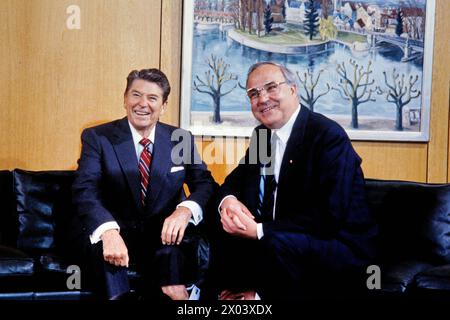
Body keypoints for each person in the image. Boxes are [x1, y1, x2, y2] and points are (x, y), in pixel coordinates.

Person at [213, 62, 378, 300]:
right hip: (283, 238)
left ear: (293, 89)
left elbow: (329, 216)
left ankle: (257, 299)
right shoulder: (262, 135)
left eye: (271, 88)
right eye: (254, 93)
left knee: (274, 241)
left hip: (339, 243)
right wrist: (228, 202)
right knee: (219, 223)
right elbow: (233, 182)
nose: (262, 99)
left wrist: (258, 230)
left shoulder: (327, 136)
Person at [71, 68, 216, 300]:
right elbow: (84, 189)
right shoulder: (98, 137)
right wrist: (108, 231)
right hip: (113, 231)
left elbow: (204, 184)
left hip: (161, 235)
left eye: (152, 98)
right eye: (136, 95)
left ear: (163, 105)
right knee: (110, 257)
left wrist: (185, 210)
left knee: (175, 256)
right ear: (125, 99)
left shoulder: (179, 139)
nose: (142, 104)